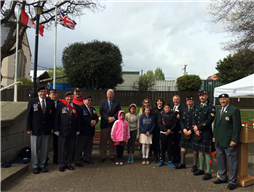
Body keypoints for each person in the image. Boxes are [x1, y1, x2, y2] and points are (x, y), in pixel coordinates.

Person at [213, 94, 241, 190]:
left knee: (232, 161)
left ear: (228, 100)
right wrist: (214, 136)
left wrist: (234, 139)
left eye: (224, 99)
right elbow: (216, 124)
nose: (222, 101)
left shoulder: (234, 110)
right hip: (219, 140)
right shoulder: (218, 109)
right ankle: (222, 177)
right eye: (221, 99)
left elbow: (237, 127)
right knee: (220, 160)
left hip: (229, 141)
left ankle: (232, 181)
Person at [26, 86, 55, 174]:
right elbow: (29, 116)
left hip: (46, 129)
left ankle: (42, 164)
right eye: (41, 91)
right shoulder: (32, 101)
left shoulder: (50, 102)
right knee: (34, 148)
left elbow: (52, 116)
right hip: (35, 129)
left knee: (44, 148)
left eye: (44, 91)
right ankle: (35, 165)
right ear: (38, 93)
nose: (43, 93)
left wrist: (52, 127)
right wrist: (29, 128)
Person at [54, 91, 81, 172]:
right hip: (62, 131)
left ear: (72, 97)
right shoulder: (60, 106)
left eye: (70, 97)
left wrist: (78, 129)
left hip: (72, 131)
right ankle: (61, 164)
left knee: (70, 149)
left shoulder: (76, 107)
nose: (69, 98)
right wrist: (56, 130)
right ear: (65, 98)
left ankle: (69, 164)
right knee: (61, 149)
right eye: (67, 97)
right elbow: (56, 118)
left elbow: (78, 120)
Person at [192, 90, 215, 180]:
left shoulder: (211, 107)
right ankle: (201, 169)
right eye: (200, 96)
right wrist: (195, 128)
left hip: (206, 132)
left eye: (203, 96)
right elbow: (193, 118)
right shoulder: (197, 107)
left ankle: (208, 172)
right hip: (197, 132)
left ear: (206, 96)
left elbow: (210, 120)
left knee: (207, 152)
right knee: (200, 151)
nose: (202, 97)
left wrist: (198, 127)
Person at [176, 95, 198, 171]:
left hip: (193, 131)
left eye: (190, 101)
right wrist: (183, 129)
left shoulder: (196, 109)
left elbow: (197, 122)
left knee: (194, 148)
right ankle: (182, 163)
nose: (189, 103)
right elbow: (181, 120)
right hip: (185, 131)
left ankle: (195, 165)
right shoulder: (184, 109)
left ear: (193, 101)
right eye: (187, 101)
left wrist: (191, 131)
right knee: (183, 146)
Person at [75, 95, 98, 167]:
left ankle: (86, 158)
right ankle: (78, 160)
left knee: (89, 146)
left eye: (91, 100)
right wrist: (90, 121)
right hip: (83, 131)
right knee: (80, 146)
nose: (90, 101)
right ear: (84, 100)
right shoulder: (80, 108)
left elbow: (96, 116)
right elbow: (81, 118)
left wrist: (95, 122)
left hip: (90, 131)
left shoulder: (92, 109)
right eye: (88, 100)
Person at [99, 89, 121, 163]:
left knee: (113, 141)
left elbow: (119, 111)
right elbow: (101, 111)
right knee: (103, 141)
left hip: (114, 125)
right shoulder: (102, 102)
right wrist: (107, 118)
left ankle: (112, 155)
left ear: (113, 95)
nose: (109, 96)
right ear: (106, 95)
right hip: (105, 124)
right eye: (108, 94)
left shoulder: (117, 103)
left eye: (111, 94)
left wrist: (113, 118)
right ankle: (102, 156)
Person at [157, 103, 176, 168]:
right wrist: (165, 130)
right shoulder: (161, 114)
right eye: (166, 108)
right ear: (164, 108)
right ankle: (162, 160)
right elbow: (159, 123)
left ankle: (170, 160)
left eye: (168, 108)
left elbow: (175, 124)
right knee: (162, 147)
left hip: (171, 134)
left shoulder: (172, 115)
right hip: (163, 133)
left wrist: (170, 130)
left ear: (170, 108)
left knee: (170, 148)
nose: (167, 109)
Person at [49, 89, 62, 164]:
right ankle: (45, 159)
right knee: (46, 144)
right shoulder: (47, 103)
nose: (54, 96)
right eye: (52, 94)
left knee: (57, 144)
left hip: (57, 127)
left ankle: (56, 158)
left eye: (55, 94)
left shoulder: (60, 104)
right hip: (48, 127)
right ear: (49, 95)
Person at [171, 95, 184, 164]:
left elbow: (183, 120)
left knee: (178, 145)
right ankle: (174, 158)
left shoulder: (182, 108)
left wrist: (181, 129)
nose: (176, 101)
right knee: (173, 145)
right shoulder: (171, 108)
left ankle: (179, 159)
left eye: (177, 99)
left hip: (178, 130)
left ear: (179, 100)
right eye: (174, 99)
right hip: (172, 130)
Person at [152, 97, 165, 163]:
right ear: (156, 102)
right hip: (155, 128)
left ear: (162, 102)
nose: (159, 102)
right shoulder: (153, 109)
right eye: (158, 101)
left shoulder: (164, 109)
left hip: (162, 128)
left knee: (162, 143)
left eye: (161, 101)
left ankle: (161, 157)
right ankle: (155, 157)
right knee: (155, 143)